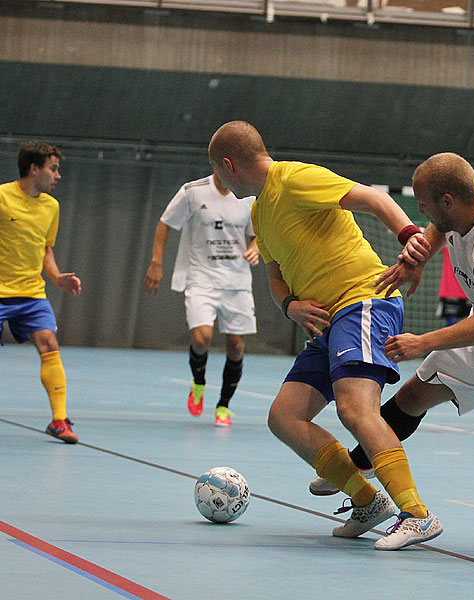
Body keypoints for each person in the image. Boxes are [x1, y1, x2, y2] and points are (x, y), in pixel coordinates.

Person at [320, 152, 474, 567]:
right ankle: (359, 467)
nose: (419, 211)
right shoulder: (466, 205)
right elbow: (438, 228)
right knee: (414, 396)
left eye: (423, 202)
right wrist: (416, 262)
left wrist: (422, 342)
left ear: (449, 198)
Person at [207, 120, 442, 550]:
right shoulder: (261, 210)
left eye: (218, 175)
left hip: (364, 299)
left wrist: (409, 235)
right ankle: (367, 501)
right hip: (326, 319)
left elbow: (372, 198)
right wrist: (288, 305)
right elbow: (275, 275)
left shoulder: (293, 177)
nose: (219, 182)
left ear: (228, 165)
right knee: (284, 416)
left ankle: (417, 514)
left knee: (355, 409)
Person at [143, 173, 259, 427]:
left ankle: (223, 406)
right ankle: (198, 382)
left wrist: (255, 247)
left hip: (236, 281)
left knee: (236, 345)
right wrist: (156, 262)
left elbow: (256, 233)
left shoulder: (248, 196)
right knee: (201, 337)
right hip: (200, 277)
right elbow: (165, 223)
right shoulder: (192, 191)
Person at [0, 141, 82, 443]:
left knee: (49, 344)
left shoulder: (51, 207)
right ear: (34, 169)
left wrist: (57, 276)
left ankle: (59, 421)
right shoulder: (2, 197)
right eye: (53, 169)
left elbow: (45, 247)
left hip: (31, 293)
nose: (58, 175)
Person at [436, 246, 471, 327]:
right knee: (451, 326)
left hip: (470, 292)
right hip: (450, 292)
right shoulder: (447, 241)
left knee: (473, 328)